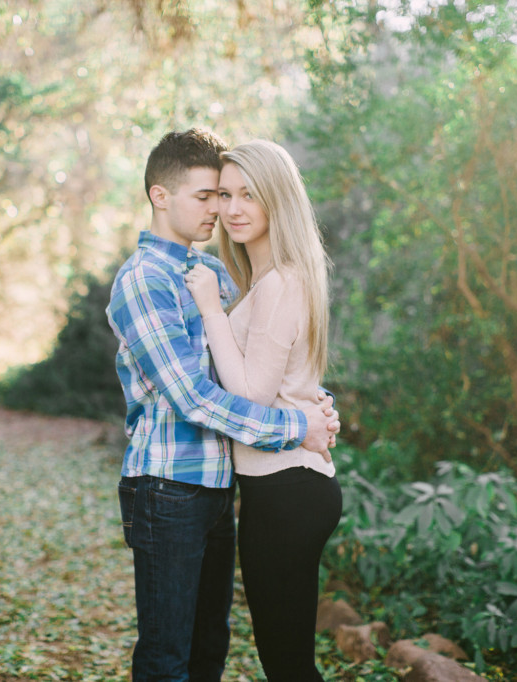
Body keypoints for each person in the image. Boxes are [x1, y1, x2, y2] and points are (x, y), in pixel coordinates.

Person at [106, 129, 340, 682]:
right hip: (167, 485)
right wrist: (294, 425)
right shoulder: (144, 279)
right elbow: (192, 394)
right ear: (160, 196)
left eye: (231, 195)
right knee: (169, 657)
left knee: (211, 646)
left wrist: (315, 405)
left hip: (218, 485)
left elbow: (262, 361)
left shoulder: (210, 274)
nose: (221, 209)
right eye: (208, 195)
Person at [184, 139, 343, 682]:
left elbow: (250, 397)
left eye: (249, 195)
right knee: (287, 661)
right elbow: (293, 386)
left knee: (288, 666)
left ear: (277, 200)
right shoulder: (272, 281)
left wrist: (209, 309)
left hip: (287, 492)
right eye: (225, 194)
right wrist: (317, 414)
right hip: (283, 486)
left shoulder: (280, 283)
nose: (233, 209)